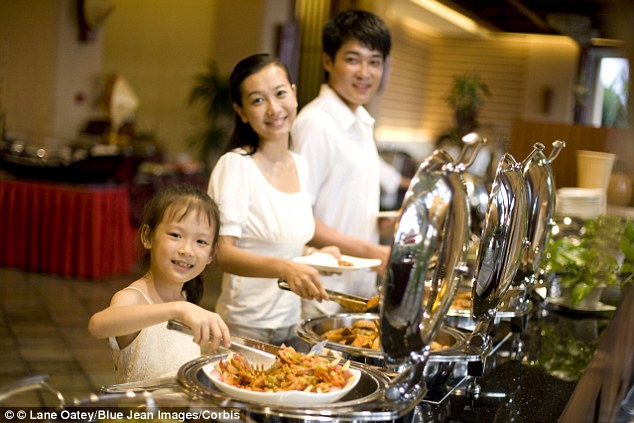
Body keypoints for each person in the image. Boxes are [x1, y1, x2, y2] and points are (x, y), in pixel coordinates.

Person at [208, 53, 338, 350]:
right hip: (246, 325)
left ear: (294, 93)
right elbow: (222, 254)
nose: (273, 108)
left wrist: (314, 255)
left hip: (291, 322)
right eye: (257, 100)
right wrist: (285, 268)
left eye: (280, 94)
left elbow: (282, 244)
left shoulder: (300, 165)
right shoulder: (236, 165)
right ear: (241, 112)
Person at [291, 9, 408, 317]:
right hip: (320, 295)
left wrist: (383, 223)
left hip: (355, 292)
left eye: (375, 62)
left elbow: (344, 203)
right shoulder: (316, 124)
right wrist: (370, 251)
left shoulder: (360, 121)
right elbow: (298, 220)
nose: (365, 73)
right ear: (328, 61)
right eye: (353, 59)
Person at [88, 185, 231, 383]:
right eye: (175, 235)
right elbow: (98, 326)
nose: (187, 250)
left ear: (210, 254)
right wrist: (177, 310)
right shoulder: (135, 297)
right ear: (148, 236)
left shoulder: (186, 298)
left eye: (200, 241)